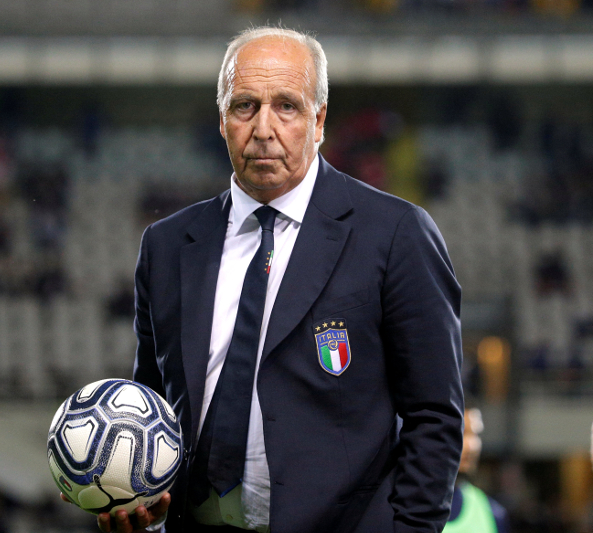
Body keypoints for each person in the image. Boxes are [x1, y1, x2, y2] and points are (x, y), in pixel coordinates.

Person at [102, 27, 464, 533]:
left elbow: (435, 416)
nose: (264, 128)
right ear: (222, 121)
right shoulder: (166, 247)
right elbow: (152, 406)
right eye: (245, 106)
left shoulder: (395, 234)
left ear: (318, 122)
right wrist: (137, 501)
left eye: (287, 107)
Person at [444, 408, 509, 533]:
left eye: (476, 434)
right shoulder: (407, 504)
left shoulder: (493, 512)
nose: (471, 446)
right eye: (462, 432)